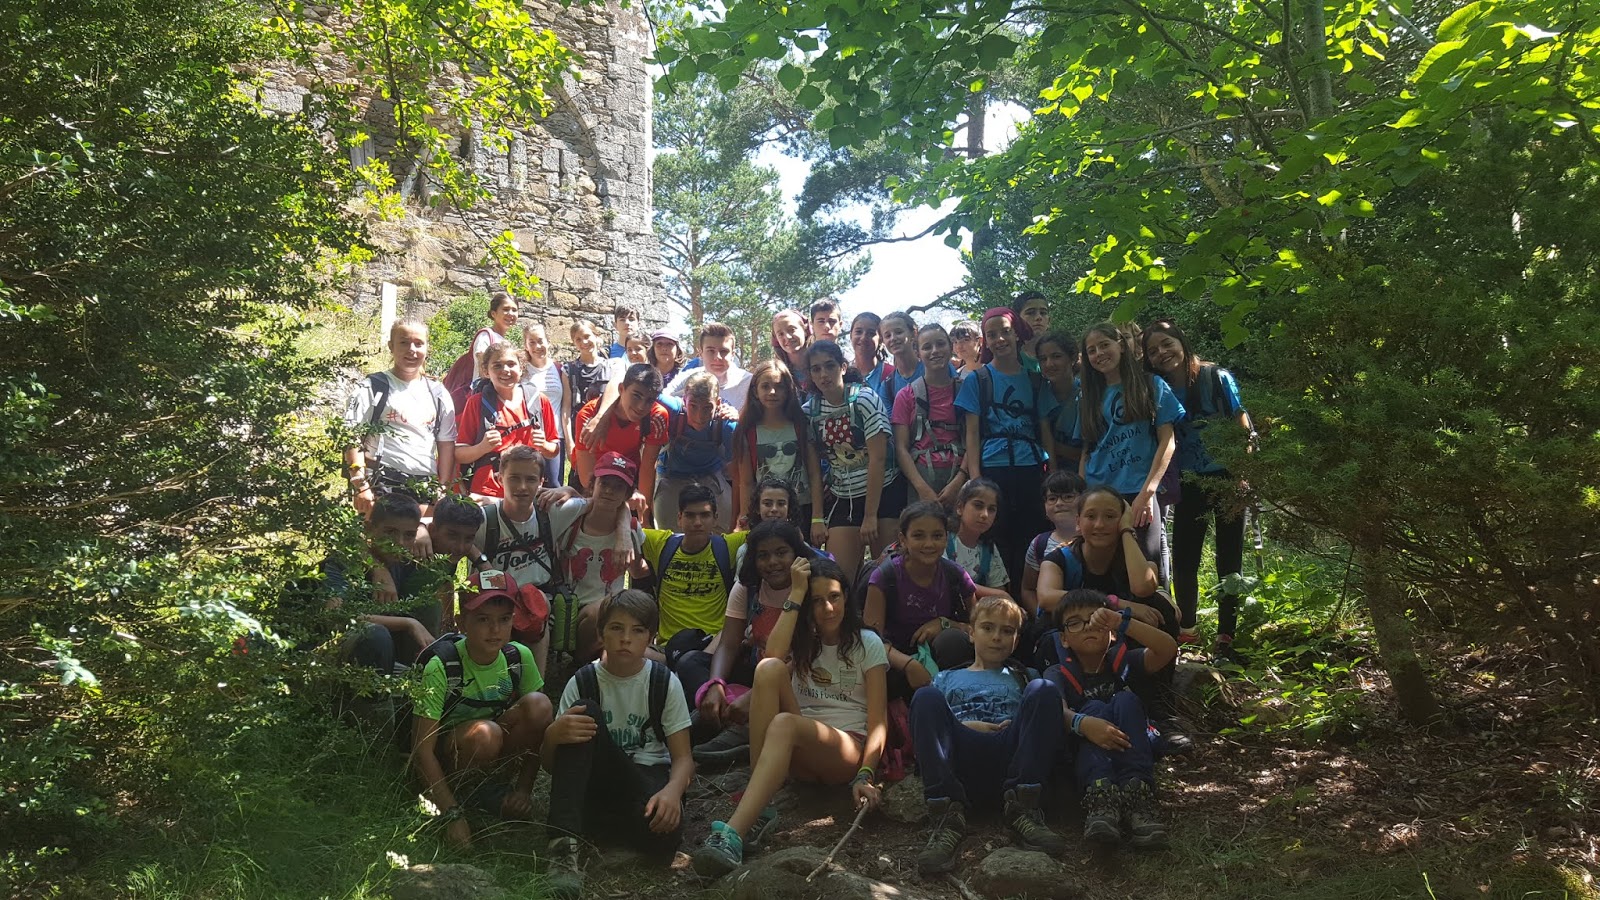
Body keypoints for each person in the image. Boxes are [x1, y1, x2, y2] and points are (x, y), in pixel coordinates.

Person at [691, 558, 887, 877]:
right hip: (795, 746)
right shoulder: (801, 641)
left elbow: (878, 720)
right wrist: (796, 592)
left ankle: (732, 834)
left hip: (845, 749)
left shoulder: (868, 643)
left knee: (784, 724)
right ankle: (760, 806)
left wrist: (865, 774)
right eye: (817, 600)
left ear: (846, 598)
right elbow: (771, 659)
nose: (827, 608)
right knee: (768, 670)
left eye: (834, 597)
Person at [542, 590, 695, 898]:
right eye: (616, 628)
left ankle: (601, 826)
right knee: (586, 712)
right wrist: (552, 735)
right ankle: (562, 847)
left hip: (645, 775)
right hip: (596, 774)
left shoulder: (663, 682)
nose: (626, 638)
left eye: (637, 630)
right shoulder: (583, 681)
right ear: (601, 634)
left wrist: (672, 792)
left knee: (665, 832)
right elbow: (552, 766)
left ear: (651, 637)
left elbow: (683, 759)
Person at [911, 596, 1066, 875]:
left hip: (1011, 760)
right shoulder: (946, 678)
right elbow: (932, 727)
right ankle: (946, 816)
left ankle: (1024, 808)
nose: (997, 637)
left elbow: (1038, 722)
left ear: (1017, 641)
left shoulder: (1025, 675)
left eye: (1007, 631)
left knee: (1045, 689)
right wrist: (967, 725)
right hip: (961, 757)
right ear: (970, 633)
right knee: (924, 698)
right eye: (987, 628)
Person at [411, 570, 554, 850]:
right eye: (483, 619)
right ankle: (463, 796)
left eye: (504, 620)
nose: (495, 629)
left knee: (540, 704)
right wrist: (451, 814)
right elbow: (422, 750)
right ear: (461, 621)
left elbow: (540, 726)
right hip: (453, 756)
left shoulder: (518, 656)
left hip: (495, 751)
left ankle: (499, 791)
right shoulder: (442, 665)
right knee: (485, 734)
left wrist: (525, 788)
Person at [1143, 320, 1254, 655]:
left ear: (1181, 342)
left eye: (1167, 344)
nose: (1162, 353)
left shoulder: (1215, 378)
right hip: (1188, 482)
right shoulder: (1155, 389)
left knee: (1229, 557)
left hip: (1227, 477)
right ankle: (1187, 629)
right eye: (1153, 350)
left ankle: (1226, 636)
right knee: (1185, 558)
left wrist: (1245, 473)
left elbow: (1243, 426)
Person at [1044, 588, 1177, 848]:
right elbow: (1054, 710)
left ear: (1111, 632)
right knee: (1092, 707)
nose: (1086, 627)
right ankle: (1101, 799)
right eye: (1074, 623)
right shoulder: (1057, 672)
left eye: (1096, 619)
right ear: (1064, 639)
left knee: (1126, 700)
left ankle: (1138, 797)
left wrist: (1121, 620)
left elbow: (1167, 648)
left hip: (1132, 749)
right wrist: (1084, 724)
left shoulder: (1125, 661)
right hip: (1086, 757)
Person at [690, 519, 818, 764]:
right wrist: (715, 684)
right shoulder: (748, 588)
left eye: (781, 553)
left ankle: (746, 731)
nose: (772, 562)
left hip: (801, 677)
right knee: (692, 662)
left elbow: (815, 652)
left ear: (796, 553)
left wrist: (755, 697)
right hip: (757, 669)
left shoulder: (813, 586)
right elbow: (728, 642)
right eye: (763, 555)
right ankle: (718, 716)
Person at [956, 308, 1054, 599]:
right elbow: (972, 433)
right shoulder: (979, 379)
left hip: (1030, 469)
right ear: (985, 340)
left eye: (1005, 331)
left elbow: (1045, 430)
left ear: (1016, 333)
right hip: (993, 469)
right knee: (996, 541)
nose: (999, 339)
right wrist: (976, 481)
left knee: (1029, 540)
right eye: (992, 334)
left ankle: (1027, 610)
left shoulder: (1035, 380)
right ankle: (1000, 607)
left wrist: (1055, 476)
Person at [1075, 323, 1184, 578]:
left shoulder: (1150, 384)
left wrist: (1148, 493)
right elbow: (1087, 450)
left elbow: (1168, 441)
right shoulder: (1088, 396)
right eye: (1091, 350)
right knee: (1106, 570)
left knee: (1147, 567)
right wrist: (1081, 499)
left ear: (1121, 346)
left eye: (1104, 345)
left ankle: (1161, 618)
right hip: (1099, 492)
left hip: (1139, 489)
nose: (1099, 353)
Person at [804, 340, 902, 582]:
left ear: (843, 367)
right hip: (843, 497)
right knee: (838, 579)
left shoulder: (864, 399)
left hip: (884, 492)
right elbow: (814, 471)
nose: (824, 374)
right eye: (816, 369)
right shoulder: (810, 412)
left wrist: (870, 516)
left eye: (829, 366)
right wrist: (817, 518)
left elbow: (878, 459)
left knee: (888, 576)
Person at [344, 319, 457, 512]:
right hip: (380, 482)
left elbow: (446, 442)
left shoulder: (438, 393)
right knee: (382, 541)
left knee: (421, 540)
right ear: (391, 346)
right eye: (404, 342)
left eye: (419, 343)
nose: (412, 349)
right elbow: (352, 436)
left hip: (424, 485)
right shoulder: (372, 387)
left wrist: (442, 487)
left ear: (427, 347)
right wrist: (361, 484)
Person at [475, 445, 569, 675]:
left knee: (535, 602)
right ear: (499, 479)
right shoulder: (484, 518)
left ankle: (534, 685)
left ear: (542, 481)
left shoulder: (551, 511)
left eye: (530, 479)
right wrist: (478, 558)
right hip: (495, 596)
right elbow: (445, 531)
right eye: (514, 478)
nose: (522, 487)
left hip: (538, 596)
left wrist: (570, 490)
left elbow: (600, 502)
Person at [863, 501, 980, 682]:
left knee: (952, 641)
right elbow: (870, 640)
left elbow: (978, 630)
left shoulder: (956, 576)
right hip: (895, 661)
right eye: (918, 536)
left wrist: (945, 623)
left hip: (944, 660)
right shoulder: (884, 578)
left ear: (946, 537)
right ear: (903, 539)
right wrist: (909, 665)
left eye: (937, 536)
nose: (929, 544)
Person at [548, 452, 648, 661]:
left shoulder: (631, 529)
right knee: (600, 611)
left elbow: (638, 571)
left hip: (616, 617)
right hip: (570, 611)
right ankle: (579, 664)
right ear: (593, 484)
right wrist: (569, 490)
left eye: (619, 487)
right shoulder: (571, 516)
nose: (610, 491)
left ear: (627, 494)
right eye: (605, 483)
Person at [324, 493, 439, 675]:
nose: (399, 543)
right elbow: (335, 617)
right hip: (336, 659)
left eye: (409, 535)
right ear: (369, 529)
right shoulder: (346, 562)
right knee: (375, 634)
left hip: (389, 660)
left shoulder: (410, 561)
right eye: (390, 532)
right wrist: (408, 623)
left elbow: (455, 531)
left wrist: (424, 527)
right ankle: (374, 703)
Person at [1034, 487, 1173, 628]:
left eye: (1110, 517)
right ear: (1078, 522)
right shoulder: (1059, 559)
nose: (1099, 525)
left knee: (1159, 606)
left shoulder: (1134, 557)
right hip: (1075, 638)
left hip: (1120, 637)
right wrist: (1116, 603)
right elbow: (1046, 598)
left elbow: (1143, 588)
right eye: (1091, 516)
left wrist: (1126, 530)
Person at [641, 482, 745, 655]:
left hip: (713, 647)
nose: (697, 522)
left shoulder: (728, 546)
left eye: (705, 515)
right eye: (690, 515)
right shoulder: (661, 544)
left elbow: (777, 531)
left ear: (715, 518)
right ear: (679, 518)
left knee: (690, 664)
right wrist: (623, 530)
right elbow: (617, 523)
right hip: (667, 648)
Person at [455, 342, 559, 499]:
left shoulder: (539, 401)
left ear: (521, 367)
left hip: (527, 491)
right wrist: (482, 447)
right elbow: (460, 454)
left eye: (511, 364)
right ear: (486, 371)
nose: (505, 370)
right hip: (487, 493)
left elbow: (554, 450)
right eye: (497, 366)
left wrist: (543, 445)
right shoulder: (477, 403)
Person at [572, 363, 669, 517]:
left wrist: (643, 512)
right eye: (636, 395)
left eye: (649, 400)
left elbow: (648, 467)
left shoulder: (656, 417)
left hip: (627, 476)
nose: (641, 406)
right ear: (621, 389)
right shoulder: (589, 415)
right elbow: (586, 476)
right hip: (593, 478)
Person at [732, 359, 818, 530]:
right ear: (755, 391)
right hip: (766, 513)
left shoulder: (801, 425)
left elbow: (815, 474)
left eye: (779, 386)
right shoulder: (747, 432)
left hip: (802, 510)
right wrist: (744, 518)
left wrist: (818, 519)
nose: (772, 392)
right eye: (765, 386)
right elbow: (747, 482)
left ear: (788, 391)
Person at [894, 323, 968, 506]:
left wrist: (960, 480)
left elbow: (974, 439)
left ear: (951, 347)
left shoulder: (966, 390)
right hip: (920, 479)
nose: (935, 351)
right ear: (918, 353)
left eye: (941, 344)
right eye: (927, 347)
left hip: (961, 479)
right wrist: (922, 488)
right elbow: (901, 448)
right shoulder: (906, 395)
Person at [654, 371, 738, 532]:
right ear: (684, 401)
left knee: (724, 527)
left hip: (710, 474)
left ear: (718, 403)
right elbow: (643, 387)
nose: (700, 416)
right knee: (667, 531)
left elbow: (737, 472)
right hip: (672, 475)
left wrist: (739, 518)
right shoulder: (674, 410)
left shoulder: (726, 424)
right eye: (693, 406)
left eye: (707, 408)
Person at [442, 292, 520, 413]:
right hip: (484, 398)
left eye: (514, 310)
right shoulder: (485, 336)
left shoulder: (505, 342)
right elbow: (483, 370)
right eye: (505, 309)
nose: (510, 313)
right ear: (494, 313)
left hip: (498, 397)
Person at [1022, 470, 1085, 617]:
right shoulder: (1039, 544)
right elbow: (1028, 589)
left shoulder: (1095, 539)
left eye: (1068, 497)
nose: (1059, 503)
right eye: (1052, 498)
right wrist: (1040, 617)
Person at [520, 322, 568, 490]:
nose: (537, 346)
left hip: (555, 436)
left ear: (548, 341)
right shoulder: (521, 370)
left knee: (554, 486)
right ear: (525, 345)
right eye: (531, 342)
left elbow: (566, 406)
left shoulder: (560, 369)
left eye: (540, 341)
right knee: (527, 485)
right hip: (528, 436)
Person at [664, 321, 752, 409]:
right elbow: (662, 398)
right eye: (711, 351)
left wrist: (738, 418)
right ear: (701, 354)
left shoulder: (749, 382)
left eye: (723, 351)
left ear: (733, 354)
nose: (718, 357)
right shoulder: (689, 377)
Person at [563, 320, 609, 485]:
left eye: (587, 336)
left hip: (605, 432)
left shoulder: (610, 367)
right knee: (581, 483)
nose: (584, 342)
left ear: (596, 336)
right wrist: (569, 442)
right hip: (580, 433)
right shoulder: (569, 370)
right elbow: (566, 408)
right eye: (578, 339)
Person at [945, 478, 1010, 595]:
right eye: (978, 506)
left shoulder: (989, 548)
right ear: (960, 508)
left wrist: (1002, 595)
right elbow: (944, 582)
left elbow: (999, 590)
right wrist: (1001, 595)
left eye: (991, 509)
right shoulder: (942, 540)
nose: (985, 514)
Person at [1036, 331, 1082, 473]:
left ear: (1072, 358)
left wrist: (1052, 445)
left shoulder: (1087, 394)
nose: (1049, 364)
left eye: (1056, 356)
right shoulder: (1038, 394)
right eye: (1043, 359)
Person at [875, 311, 924, 409]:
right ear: (883, 341)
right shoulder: (887, 386)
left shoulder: (935, 369)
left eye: (899, 332)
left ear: (914, 333)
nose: (893, 338)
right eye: (888, 335)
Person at [770, 308, 812, 392]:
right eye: (780, 334)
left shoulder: (822, 366)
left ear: (805, 330)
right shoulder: (776, 373)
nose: (787, 337)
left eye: (792, 330)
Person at [847, 311, 884, 393]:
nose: (864, 338)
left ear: (881, 339)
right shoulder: (843, 373)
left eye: (871, 333)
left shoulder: (890, 375)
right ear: (851, 335)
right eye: (858, 332)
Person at [1012, 291, 1050, 368]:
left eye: (1043, 313)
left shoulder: (1060, 355)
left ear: (1049, 321)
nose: (1039, 317)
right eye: (1031, 313)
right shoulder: (1009, 358)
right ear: (1017, 320)